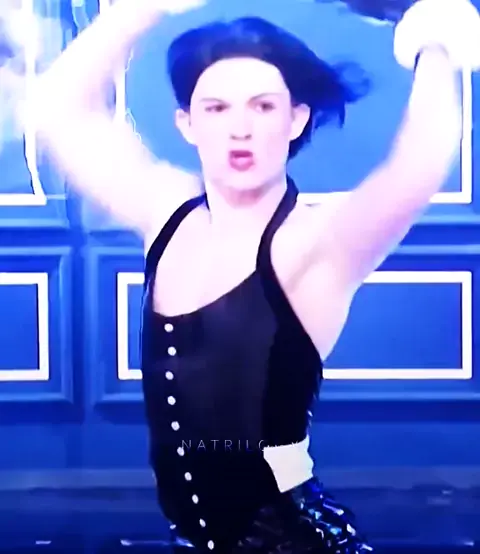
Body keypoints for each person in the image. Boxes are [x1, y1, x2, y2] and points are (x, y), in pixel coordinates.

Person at [29, 0, 480, 551]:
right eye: (216, 108)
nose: (239, 129)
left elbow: (418, 165)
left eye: (263, 107)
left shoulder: (317, 244)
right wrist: (143, 9)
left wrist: (434, 41)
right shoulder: (166, 211)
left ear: (296, 119)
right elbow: (62, 109)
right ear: (187, 124)